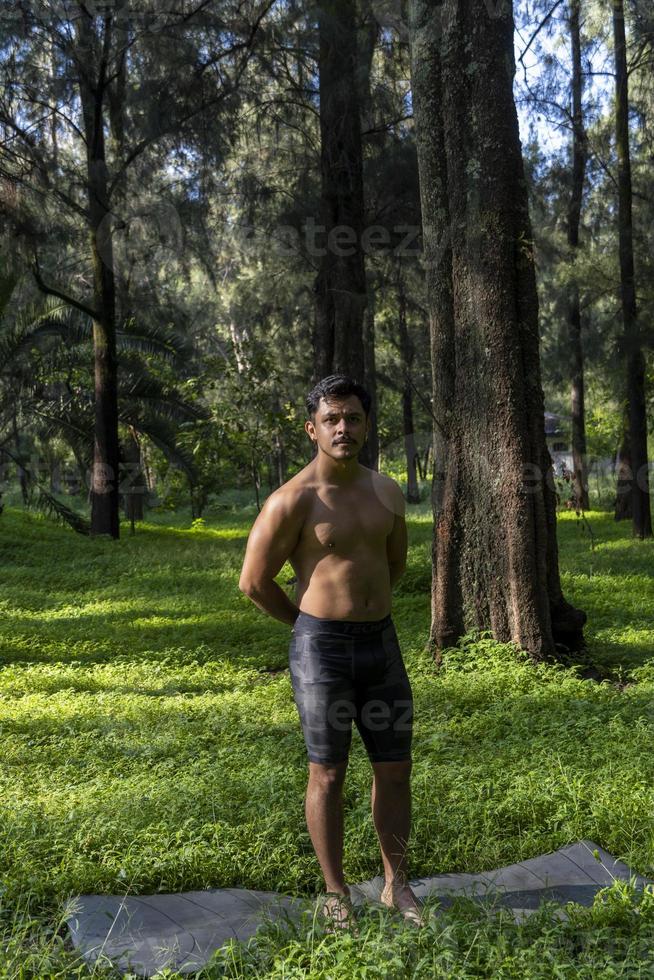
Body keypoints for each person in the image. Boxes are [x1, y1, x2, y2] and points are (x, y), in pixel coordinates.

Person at [238, 374, 423, 929]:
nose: (344, 428)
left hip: (382, 647)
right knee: (328, 774)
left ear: (367, 426)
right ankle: (336, 891)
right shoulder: (292, 500)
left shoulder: (385, 490)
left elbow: (395, 564)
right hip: (322, 652)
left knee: (394, 770)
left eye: (354, 418)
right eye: (332, 419)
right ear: (312, 428)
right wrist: (306, 627)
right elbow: (253, 582)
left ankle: (397, 884)